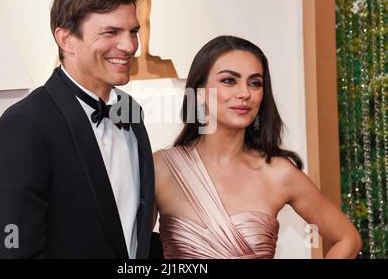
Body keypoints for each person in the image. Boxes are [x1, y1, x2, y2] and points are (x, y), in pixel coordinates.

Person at [0, 0, 155, 258]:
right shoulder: (24, 127)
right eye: (111, 32)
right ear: (66, 39)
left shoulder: (129, 110)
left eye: (133, 31)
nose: (129, 46)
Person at [153, 36, 362, 259]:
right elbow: (126, 248)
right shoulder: (162, 168)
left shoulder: (278, 173)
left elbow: (348, 239)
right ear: (200, 91)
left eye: (255, 83)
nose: (245, 93)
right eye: (229, 81)